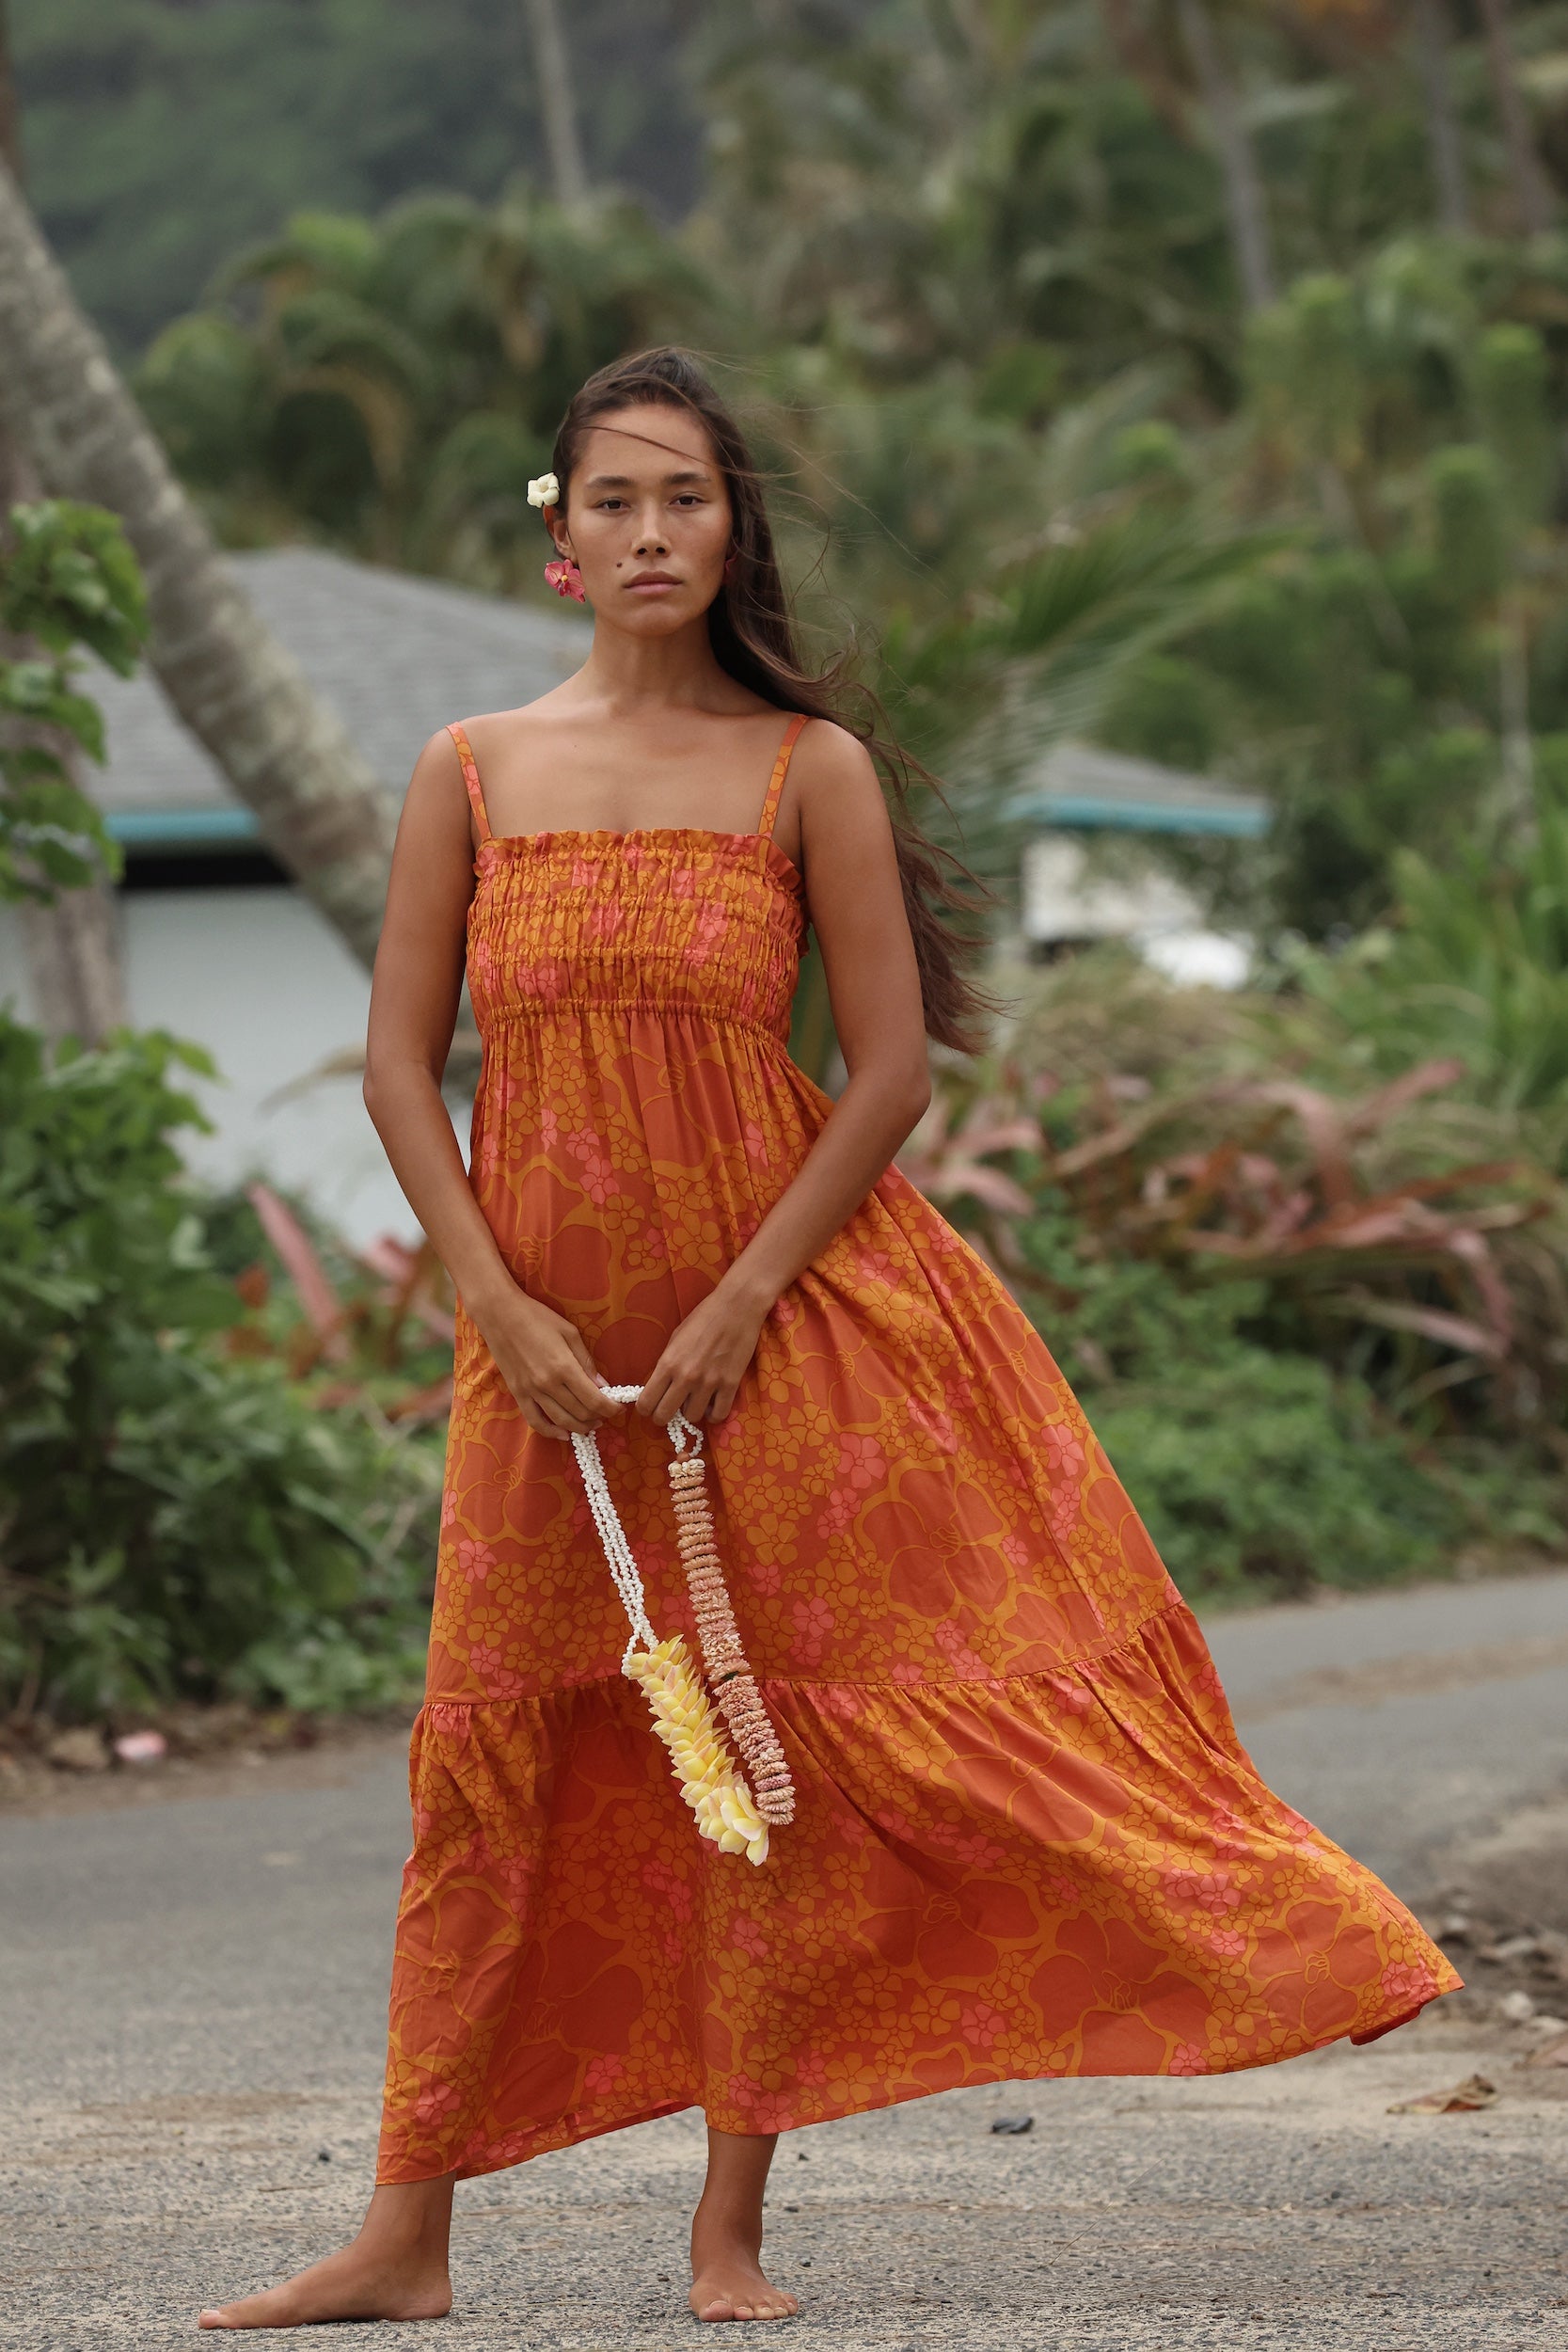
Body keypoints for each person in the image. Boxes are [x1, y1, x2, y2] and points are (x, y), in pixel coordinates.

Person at [199, 347, 1459, 2331]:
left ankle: (730, 2230)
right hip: (535, 1350)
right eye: (609, 498)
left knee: (761, 1758)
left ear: (733, 531)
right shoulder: (467, 765)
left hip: (772, 1332)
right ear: (556, 537)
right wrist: (490, 1298)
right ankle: (406, 2230)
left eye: (684, 499)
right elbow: (392, 1063)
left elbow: (884, 1075)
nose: (647, 533)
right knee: (485, 1757)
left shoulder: (810, 770)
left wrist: (737, 1300)